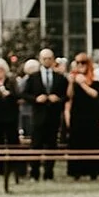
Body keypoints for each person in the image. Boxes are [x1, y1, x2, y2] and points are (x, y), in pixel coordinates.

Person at [21, 49, 68, 181]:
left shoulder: (60, 77)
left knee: (52, 146)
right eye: (44, 58)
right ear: (40, 60)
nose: (47, 61)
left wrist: (57, 99)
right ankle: (34, 173)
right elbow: (24, 94)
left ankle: (49, 173)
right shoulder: (33, 77)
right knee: (36, 145)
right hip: (38, 117)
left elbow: (66, 96)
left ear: (53, 60)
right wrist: (36, 99)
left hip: (53, 117)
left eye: (49, 58)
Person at [65, 52, 99, 180]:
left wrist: (83, 84)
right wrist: (71, 83)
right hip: (77, 114)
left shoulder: (94, 79)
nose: (80, 65)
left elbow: (95, 94)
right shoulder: (74, 78)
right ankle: (76, 172)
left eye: (83, 62)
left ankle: (92, 172)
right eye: (78, 62)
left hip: (91, 115)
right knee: (76, 143)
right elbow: (69, 96)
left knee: (91, 143)